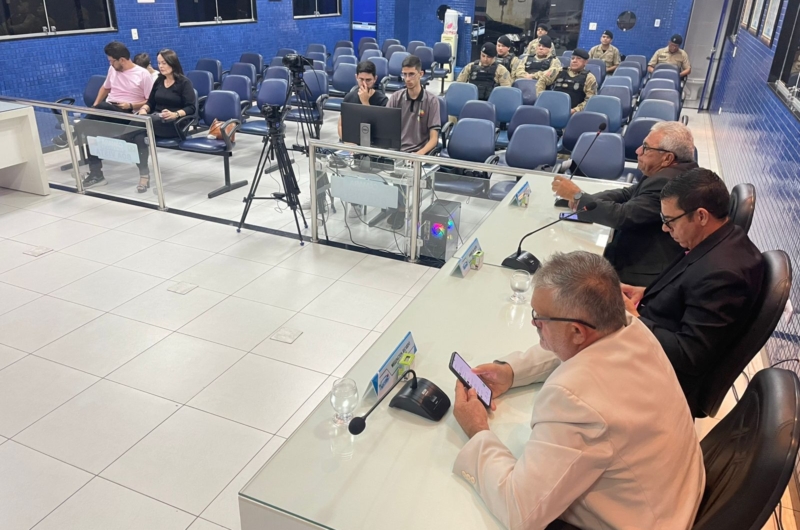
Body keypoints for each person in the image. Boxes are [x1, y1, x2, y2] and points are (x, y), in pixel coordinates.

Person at [453, 251, 704, 530]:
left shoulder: (573, 399)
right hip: (676, 495)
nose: (534, 324)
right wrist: (512, 372)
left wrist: (477, 430)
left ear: (576, 331)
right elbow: (577, 346)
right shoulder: (630, 327)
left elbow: (518, 510)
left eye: (540, 318)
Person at [622, 169, 764, 416]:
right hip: (656, 330)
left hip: (664, 378)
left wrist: (633, 320)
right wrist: (645, 292)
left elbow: (689, 356)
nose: (665, 229)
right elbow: (688, 285)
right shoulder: (722, 237)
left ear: (701, 216)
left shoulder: (724, 275)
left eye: (670, 221)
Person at [551, 121, 697, 286]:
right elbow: (627, 194)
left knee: (570, 273)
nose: (638, 151)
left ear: (667, 158)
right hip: (644, 248)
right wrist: (584, 199)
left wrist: (578, 196)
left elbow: (623, 216)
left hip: (643, 268)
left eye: (646, 148)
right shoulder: (671, 171)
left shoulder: (667, 182)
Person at [78, 41, 155, 188]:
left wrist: (130, 105)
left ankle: (74, 130)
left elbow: (151, 101)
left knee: (103, 107)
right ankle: (96, 174)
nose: (110, 64)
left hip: (128, 115)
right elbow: (105, 88)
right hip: (109, 112)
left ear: (122, 60)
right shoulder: (112, 69)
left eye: (112, 61)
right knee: (90, 129)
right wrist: (94, 107)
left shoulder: (142, 74)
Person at [385, 55, 441, 229]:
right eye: (404, 74)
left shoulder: (431, 101)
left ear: (421, 74)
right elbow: (384, 127)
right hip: (396, 149)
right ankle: (393, 205)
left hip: (418, 151)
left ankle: (402, 209)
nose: (407, 79)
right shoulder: (396, 97)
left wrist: (419, 154)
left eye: (411, 74)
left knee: (405, 172)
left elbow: (434, 139)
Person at [134, 49, 196, 193]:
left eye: (164, 63)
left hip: (174, 124)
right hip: (155, 121)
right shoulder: (159, 80)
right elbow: (150, 102)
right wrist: (144, 109)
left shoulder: (184, 83)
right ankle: (144, 176)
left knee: (140, 124)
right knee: (138, 137)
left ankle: (120, 136)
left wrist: (175, 114)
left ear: (172, 63)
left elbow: (191, 108)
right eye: (159, 63)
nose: (161, 66)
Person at [337, 60, 389, 218]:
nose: (364, 84)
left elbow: (381, 130)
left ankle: (366, 201)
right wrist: (347, 142)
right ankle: (320, 200)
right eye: (361, 79)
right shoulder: (349, 97)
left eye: (368, 80)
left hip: (375, 148)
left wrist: (365, 101)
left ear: (375, 79)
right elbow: (341, 125)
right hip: (352, 145)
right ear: (356, 77)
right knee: (326, 160)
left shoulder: (382, 100)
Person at [536, 47, 596, 114]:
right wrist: (542, 98)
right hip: (551, 108)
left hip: (573, 113)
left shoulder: (589, 78)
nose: (574, 61)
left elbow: (590, 99)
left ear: (585, 62)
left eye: (578, 58)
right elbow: (542, 81)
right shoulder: (558, 71)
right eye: (572, 58)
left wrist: (576, 110)